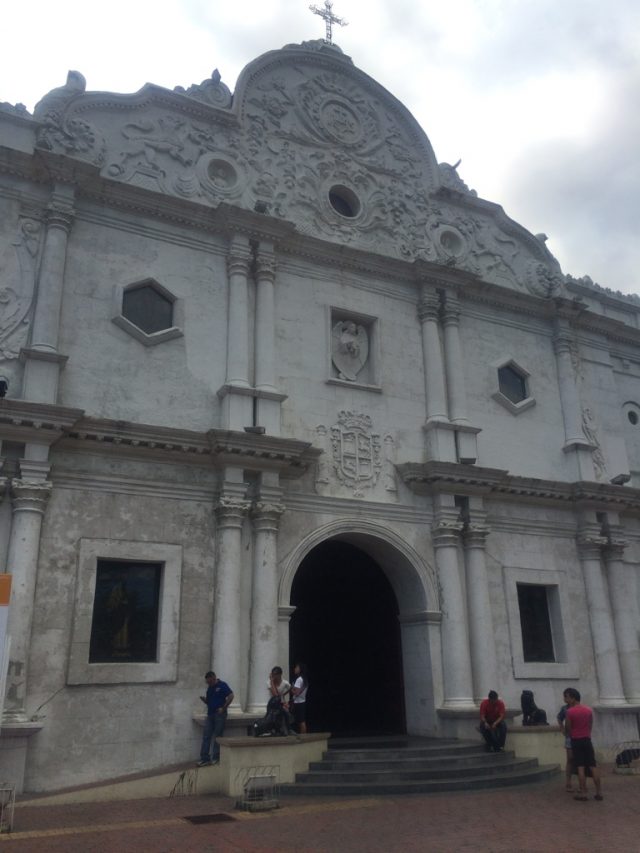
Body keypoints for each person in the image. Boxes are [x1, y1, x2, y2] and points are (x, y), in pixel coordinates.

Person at [564, 687, 603, 801]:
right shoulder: (588, 710)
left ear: (573, 698)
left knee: (580, 767)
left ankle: (583, 792)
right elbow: (590, 725)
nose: (566, 700)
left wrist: (571, 734)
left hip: (576, 740)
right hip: (587, 739)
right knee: (592, 765)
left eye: (567, 697)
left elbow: (568, 728)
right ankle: (599, 792)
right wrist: (586, 733)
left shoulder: (569, 711)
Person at [198, 671, 233, 766]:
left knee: (218, 736)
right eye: (207, 682)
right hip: (210, 714)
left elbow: (231, 696)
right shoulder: (210, 688)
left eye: (210, 682)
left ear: (214, 678)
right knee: (206, 736)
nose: (209, 684)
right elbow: (209, 701)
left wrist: (223, 708)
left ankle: (216, 757)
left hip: (219, 715)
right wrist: (205, 700)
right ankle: (205, 758)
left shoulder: (222, 685)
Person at [557, 697, 576, 792]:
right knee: (570, 758)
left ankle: (582, 783)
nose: (565, 698)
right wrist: (562, 728)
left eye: (567, 696)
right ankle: (568, 781)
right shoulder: (564, 709)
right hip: (569, 736)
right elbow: (559, 717)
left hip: (579, 736)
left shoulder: (579, 708)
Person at [291, 662, 309, 734]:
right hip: (302, 701)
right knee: (301, 721)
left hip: (298, 702)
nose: (295, 669)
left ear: (300, 669)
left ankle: (303, 736)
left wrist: (291, 688)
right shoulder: (304, 679)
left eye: (297, 668)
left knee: (301, 721)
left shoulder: (299, 679)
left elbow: (296, 693)